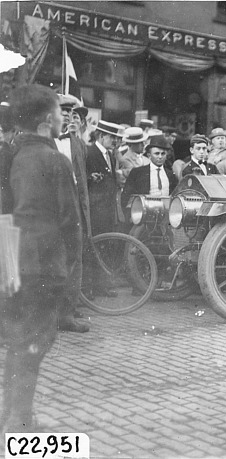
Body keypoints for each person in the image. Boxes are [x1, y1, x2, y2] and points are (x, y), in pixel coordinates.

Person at [2, 84, 82, 433]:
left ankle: (14, 416)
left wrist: (8, 270)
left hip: (13, 264)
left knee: (19, 343)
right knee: (33, 344)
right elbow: (71, 223)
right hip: (43, 268)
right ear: (46, 119)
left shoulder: (10, 155)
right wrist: (68, 267)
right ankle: (18, 428)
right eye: (58, 111)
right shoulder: (55, 160)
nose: (62, 117)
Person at [54, 95, 92, 333]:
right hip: (50, 211)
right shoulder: (42, 141)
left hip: (74, 209)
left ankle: (66, 313)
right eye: (62, 110)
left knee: (74, 261)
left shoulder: (76, 143)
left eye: (69, 111)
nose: (67, 114)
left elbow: (82, 184)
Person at [122, 135, 179, 217]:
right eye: (156, 153)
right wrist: (132, 217)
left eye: (163, 154)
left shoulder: (170, 175)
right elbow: (126, 197)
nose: (160, 157)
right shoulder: (138, 173)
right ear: (149, 155)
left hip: (165, 218)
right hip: (143, 218)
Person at [86, 120, 122, 235]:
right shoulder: (88, 153)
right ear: (101, 136)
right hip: (95, 210)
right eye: (112, 137)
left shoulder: (110, 156)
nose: (115, 141)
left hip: (108, 210)